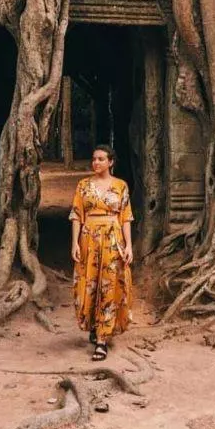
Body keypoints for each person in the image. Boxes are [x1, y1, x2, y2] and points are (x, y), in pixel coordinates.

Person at [69, 144, 134, 361]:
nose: (96, 162)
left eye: (101, 159)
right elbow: (77, 214)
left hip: (113, 238)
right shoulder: (83, 186)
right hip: (89, 238)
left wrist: (129, 245)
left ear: (111, 162)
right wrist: (75, 243)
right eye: (94, 158)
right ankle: (94, 325)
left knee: (109, 284)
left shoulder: (121, 186)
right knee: (90, 284)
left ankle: (102, 339)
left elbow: (126, 218)